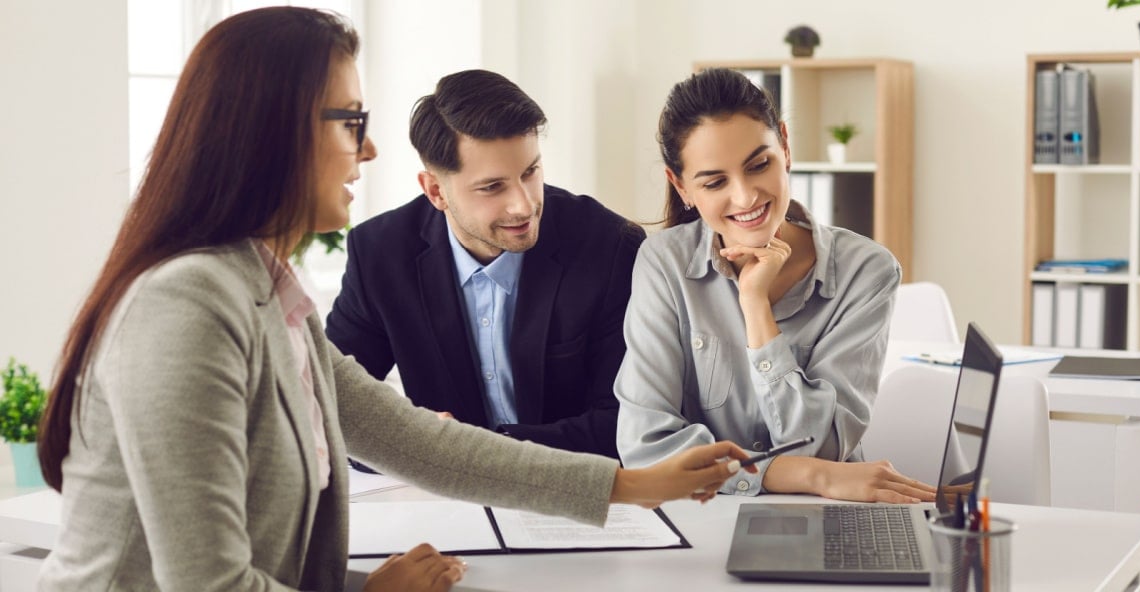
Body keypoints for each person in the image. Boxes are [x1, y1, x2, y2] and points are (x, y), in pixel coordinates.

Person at [35, 10, 750, 591]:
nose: (368, 150)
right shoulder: (187, 306)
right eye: (350, 121)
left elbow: (414, 440)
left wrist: (630, 485)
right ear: (271, 133)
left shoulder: (266, 294)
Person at [615, 68, 935, 503]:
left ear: (785, 146)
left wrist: (755, 307)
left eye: (759, 165)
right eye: (714, 182)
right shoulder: (663, 263)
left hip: (826, 515)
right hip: (703, 519)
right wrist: (809, 475)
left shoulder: (867, 271)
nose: (746, 197)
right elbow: (646, 450)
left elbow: (823, 446)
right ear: (681, 186)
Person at [325, 69, 643, 459]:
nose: (524, 204)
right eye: (493, 187)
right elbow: (329, 407)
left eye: (531, 172)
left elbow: (628, 422)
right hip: (445, 501)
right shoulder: (380, 254)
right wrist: (411, 439)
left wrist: (476, 452)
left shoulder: (608, 245)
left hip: (578, 492)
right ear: (436, 191)